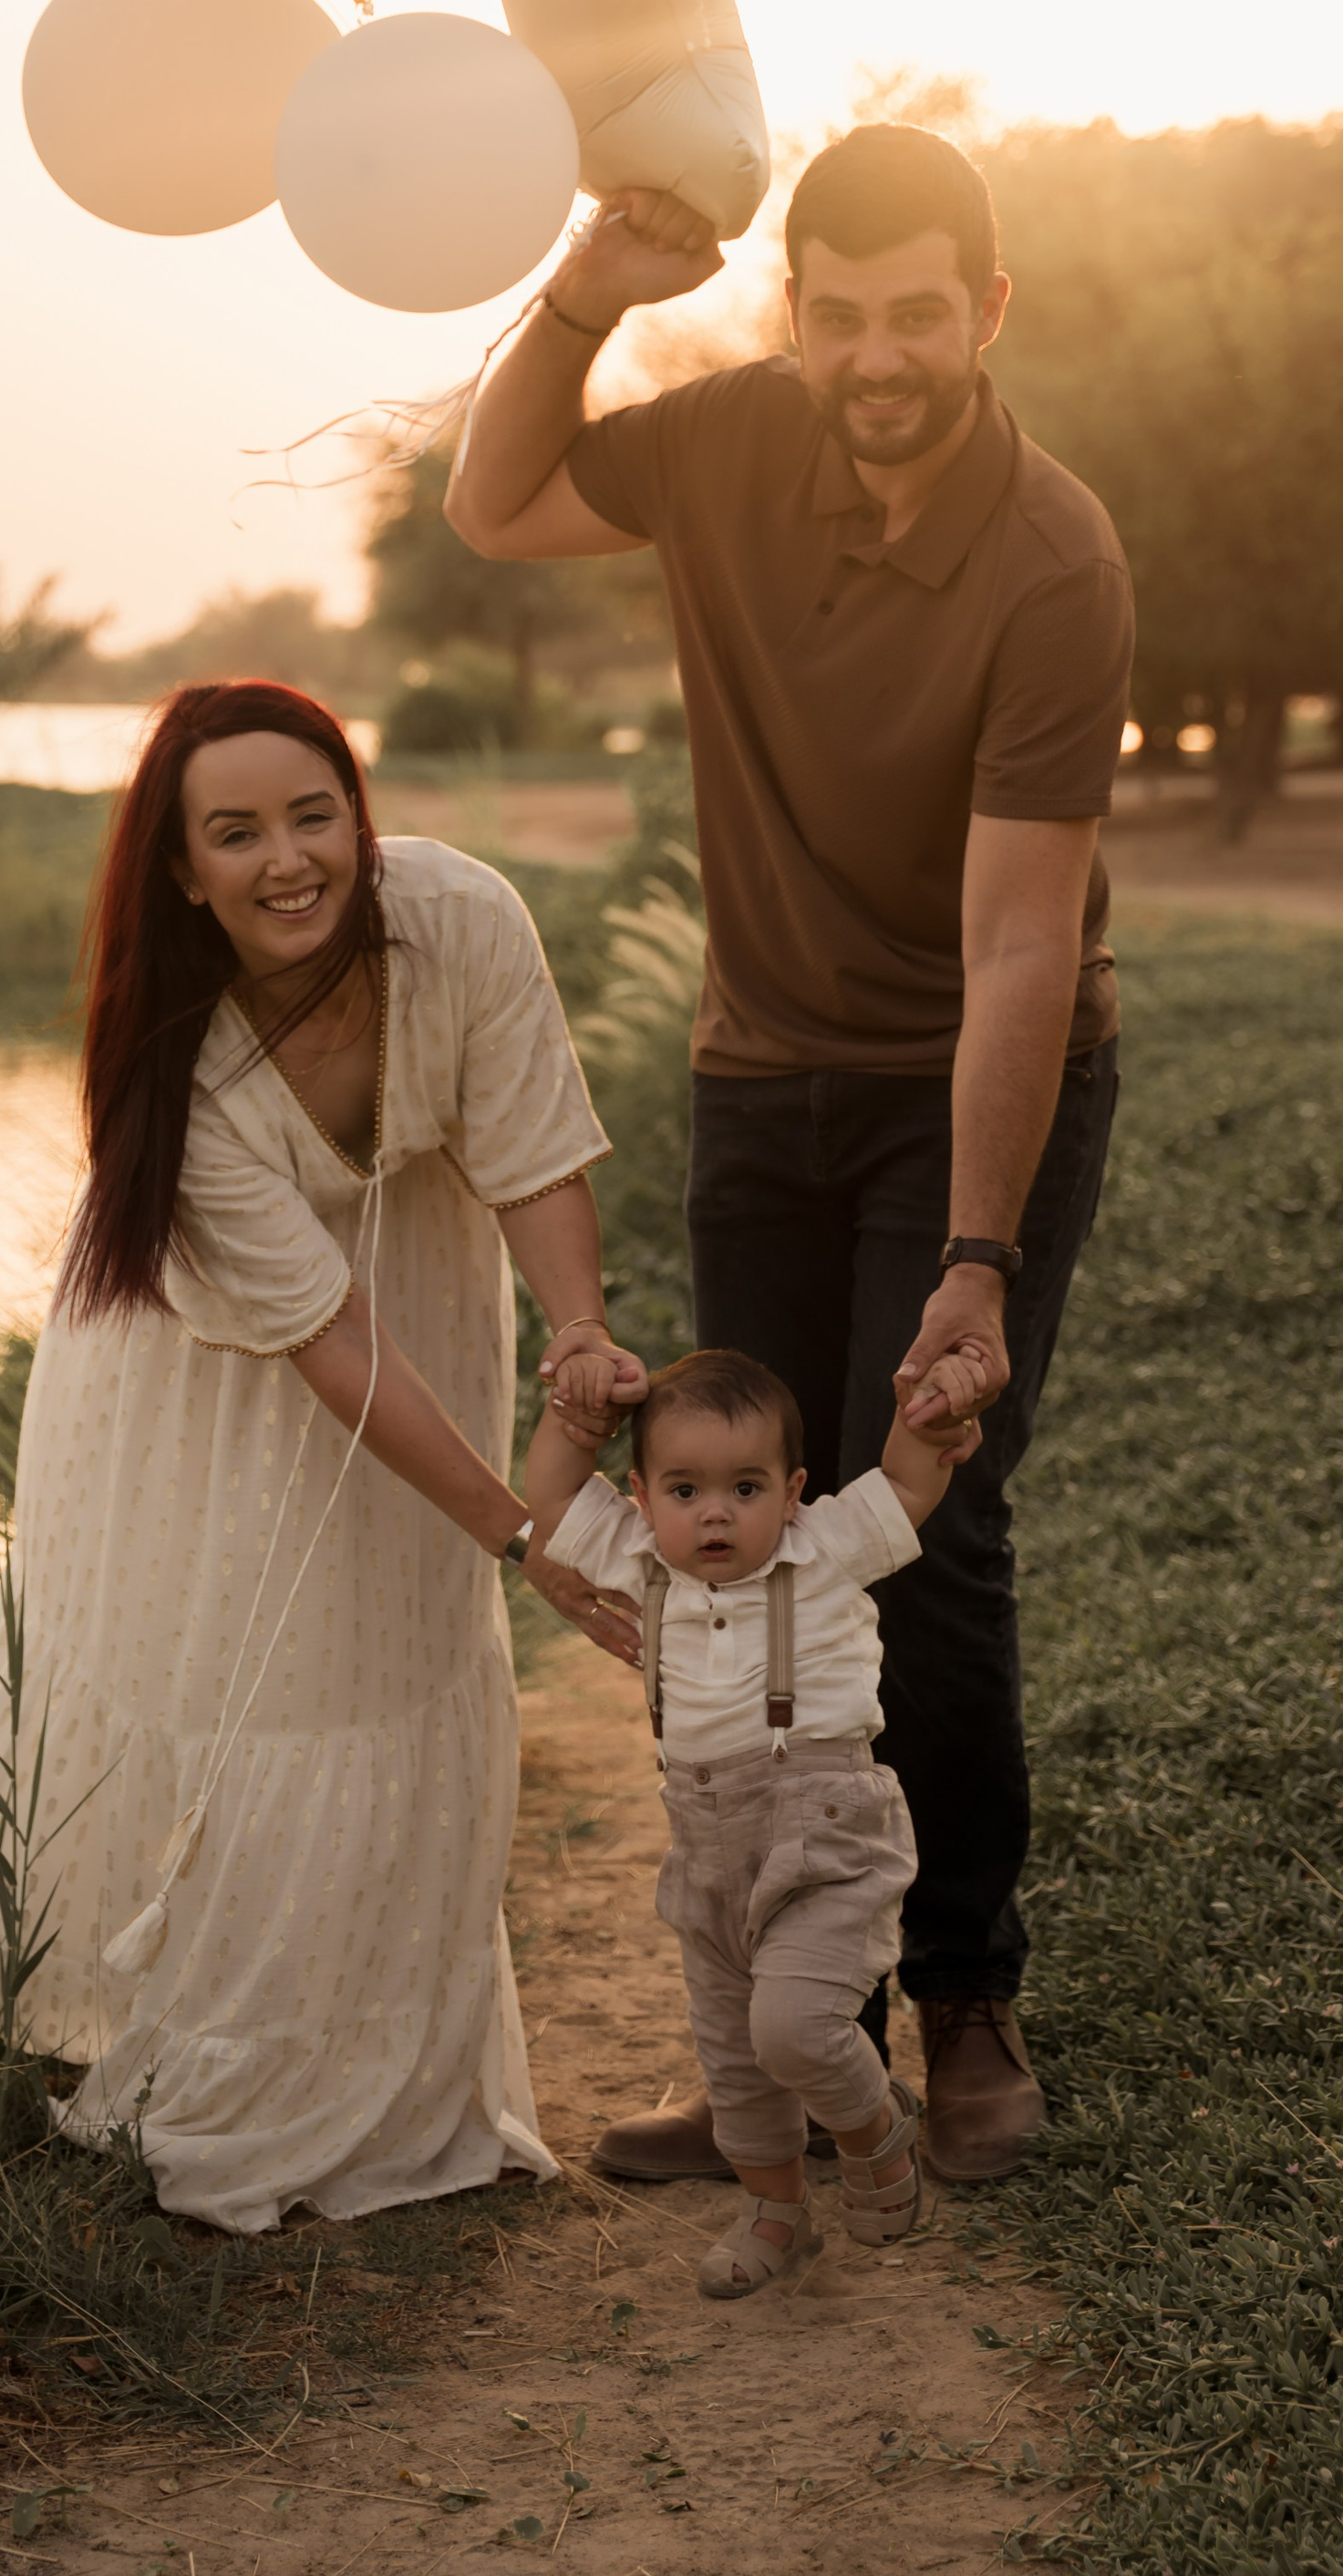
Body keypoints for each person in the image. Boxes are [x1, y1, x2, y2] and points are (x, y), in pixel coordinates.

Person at [447, 120, 1133, 2182]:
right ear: (795, 315)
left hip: (971, 1078)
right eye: (836, 315)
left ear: (983, 310)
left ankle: (966, 2000)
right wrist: (587, 280)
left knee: (919, 1539)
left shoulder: (1052, 556)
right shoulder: (733, 440)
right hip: (758, 1079)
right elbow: (491, 500)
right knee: (717, 1532)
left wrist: (977, 1255)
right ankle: (785, 2032)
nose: (874, 354)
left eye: (916, 311)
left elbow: (1018, 940)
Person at [0, 681, 646, 2233]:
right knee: (240, 1667)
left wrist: (579, 1329)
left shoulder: (461, 919)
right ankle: (161, 2018)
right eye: (234, 832)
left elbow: (532, 1147)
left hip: (427, 1308)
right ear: (183, 870)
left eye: (315, 815)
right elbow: (329, 1347)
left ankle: (393, 2070)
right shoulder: (183, 1070)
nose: (286, 859)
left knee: (391, 1657)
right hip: (195, 1382)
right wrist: (525, 1538)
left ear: (361, 820)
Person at [522, 1344, 983, 2297]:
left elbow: (905, 1482)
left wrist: (928, 1421)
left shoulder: (823, 1550)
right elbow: (557, 1499)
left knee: (793, 2026)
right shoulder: (641, 1562)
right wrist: (576, 1420)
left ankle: (872, 2128)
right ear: (643, 1497)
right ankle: (776, 2211)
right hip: (707, 1846)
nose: (717, 1512)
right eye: (686, 1490)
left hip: (823, 1833)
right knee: (734, 2063)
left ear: (793, 1490)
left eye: (745, 1486)